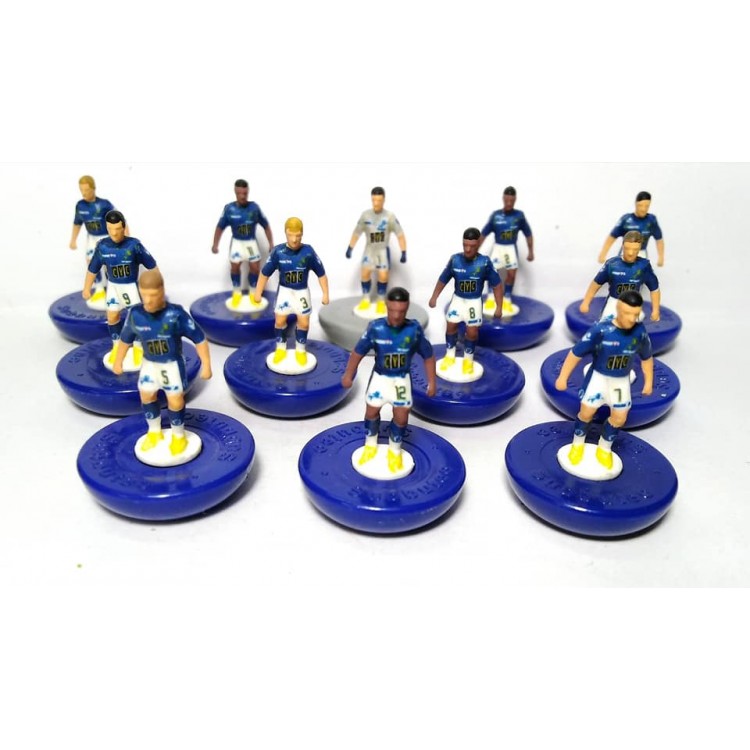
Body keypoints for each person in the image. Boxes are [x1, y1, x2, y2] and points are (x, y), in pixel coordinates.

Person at [114, 269, 212, 457]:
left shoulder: (175, 314)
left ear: (162, 291)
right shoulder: (136, 314)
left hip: (171, 364)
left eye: (153, 295)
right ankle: (154, 432)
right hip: (150, 364)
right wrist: (119, 361)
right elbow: (125, 339)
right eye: (144, 295)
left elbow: (199, 338)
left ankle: (178, 435)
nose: (148, 301)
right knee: (146, 395)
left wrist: (206, 365)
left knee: (175, 400)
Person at [555, 290, 654, 470]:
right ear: (618, 309)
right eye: (627, 313)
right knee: (586, 413)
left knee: (619, 418)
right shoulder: (601, 330)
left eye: (635, 314)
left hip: (620, 382)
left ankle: (604, 448)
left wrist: (648, 382)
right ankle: (577, 444)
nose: (631, 319)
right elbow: (576, 353)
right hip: (598, 378)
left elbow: (647, 357)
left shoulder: (639, 332)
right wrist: (563, 377)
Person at [341, 287, 436, 473]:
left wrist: (432, 381)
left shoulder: (413, 330)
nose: (396, 316)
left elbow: (428, 355)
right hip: (380, 377)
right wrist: (348, 374)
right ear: (386, 307)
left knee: (401, 417)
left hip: (401, 380)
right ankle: (370, 445)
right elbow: (358, 352)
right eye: (392, 310)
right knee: (371, 411)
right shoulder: (376, 328)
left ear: (407, 309)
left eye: (401, 311)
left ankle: (395, 450)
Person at [82, 210, 157, 363]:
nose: (114, 233)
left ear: (123, 227)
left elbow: (152, 265)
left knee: (135, 318)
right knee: (112, 316)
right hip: (113, 287)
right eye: (110, 229)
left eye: (117, 229)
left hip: (130, 287)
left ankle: (138, 347)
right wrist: (86, 288)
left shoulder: (134, 245)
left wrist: (158, 287)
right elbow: (92, 269)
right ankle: (116, 345)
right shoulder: (103, 246)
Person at [254, 217, 329, 366]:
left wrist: (325, 293)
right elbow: (264, 273)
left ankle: (300, 350)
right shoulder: (278, 252)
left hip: (301, 292)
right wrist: (258, 292)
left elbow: (321, 274)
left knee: (304, 323)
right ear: (285, 233)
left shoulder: (308, 252)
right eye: (290, 235)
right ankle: (280, 348)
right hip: (285, 292)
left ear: (302, 234)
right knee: (280, 321)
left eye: (298, 235)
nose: (294, 239)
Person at [428, 227, 503, 374]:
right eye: (465, 245)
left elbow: (497, 284)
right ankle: (450, 356)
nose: (468, 249)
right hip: (458, 299)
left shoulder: (484, 263)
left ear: (478, 244)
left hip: (474, 302)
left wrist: (499, 306)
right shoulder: (455, 260)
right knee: (450, 326)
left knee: (472, 332)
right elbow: (443, 279)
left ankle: (468, 360)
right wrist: (434, 296)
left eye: (472, 246)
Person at [212, 179, 274, 308]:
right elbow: (220, 227)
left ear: (248, 192)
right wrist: (215, 244)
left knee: (255, 268)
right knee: (235, 267)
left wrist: (271, 243)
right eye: (239, 193)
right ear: (235, 192)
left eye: (244, 193)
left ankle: (253, 292)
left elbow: (266, 225)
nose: (242, 196)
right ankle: (236, 293)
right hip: (237, 243)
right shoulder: (229, 209)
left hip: (250, 243)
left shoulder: (254, 208)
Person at [345, 186, 407, 314]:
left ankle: (380, 300)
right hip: (369, 250)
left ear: (384, 200)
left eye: (379, 200)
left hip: (382, 250)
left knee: (383, 275)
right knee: (365, 273)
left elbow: (400, 234)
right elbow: (357, 232)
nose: (376, 203)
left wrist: (403, 251)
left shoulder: (389, 216)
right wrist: (350, 247)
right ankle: (365, 299)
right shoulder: (365, 215)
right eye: (374, 200)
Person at [580, 230, 660, 322]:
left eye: (635, 249)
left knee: (634, 328)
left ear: (639, 249)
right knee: (605, 326)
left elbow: (654, 289)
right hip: (613, 303)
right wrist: (586, 302)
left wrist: (656, 310)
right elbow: (596, 283)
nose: (630, 253)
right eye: (627, 248)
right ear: (622, 246)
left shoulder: (644, 266)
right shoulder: (612, 265)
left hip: (632, 306)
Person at [479, 185, 534, 313]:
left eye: (511, 200)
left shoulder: (519, 216)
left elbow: (528, 233)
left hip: (510, 248)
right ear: (503, 199)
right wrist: (475, 250)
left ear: (515, 200)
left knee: (511, 274)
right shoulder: (496, 215)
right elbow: (484, 233)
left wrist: (531, 251)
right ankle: (491, 297)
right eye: (507, 200)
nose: (509, 203)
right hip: (498, 247)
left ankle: (507, 298)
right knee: (492, 272)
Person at [70, 175, 125, 301]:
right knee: (92, 263)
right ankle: (99, 289)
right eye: (81, 190)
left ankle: (115, 289)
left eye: (87, 190)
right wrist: (73, 240)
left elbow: (120, 219)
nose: (84, 193)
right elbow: (77, 223)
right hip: (92, 238)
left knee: (110, 263)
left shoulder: (104, 204)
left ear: (93, 189)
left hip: (106, 237)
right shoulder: (80, 206)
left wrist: (124, 237)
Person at [598, 190, 664, 266]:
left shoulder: (651, 220)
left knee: (641, 271)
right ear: (636, 204)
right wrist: (603, 254)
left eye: (646, 206)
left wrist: (661, 257)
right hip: (625, 252)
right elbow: (612, 237)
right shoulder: (626, 219)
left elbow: (659, 239)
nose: (643, 209)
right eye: (640, 205)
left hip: (641, 253)